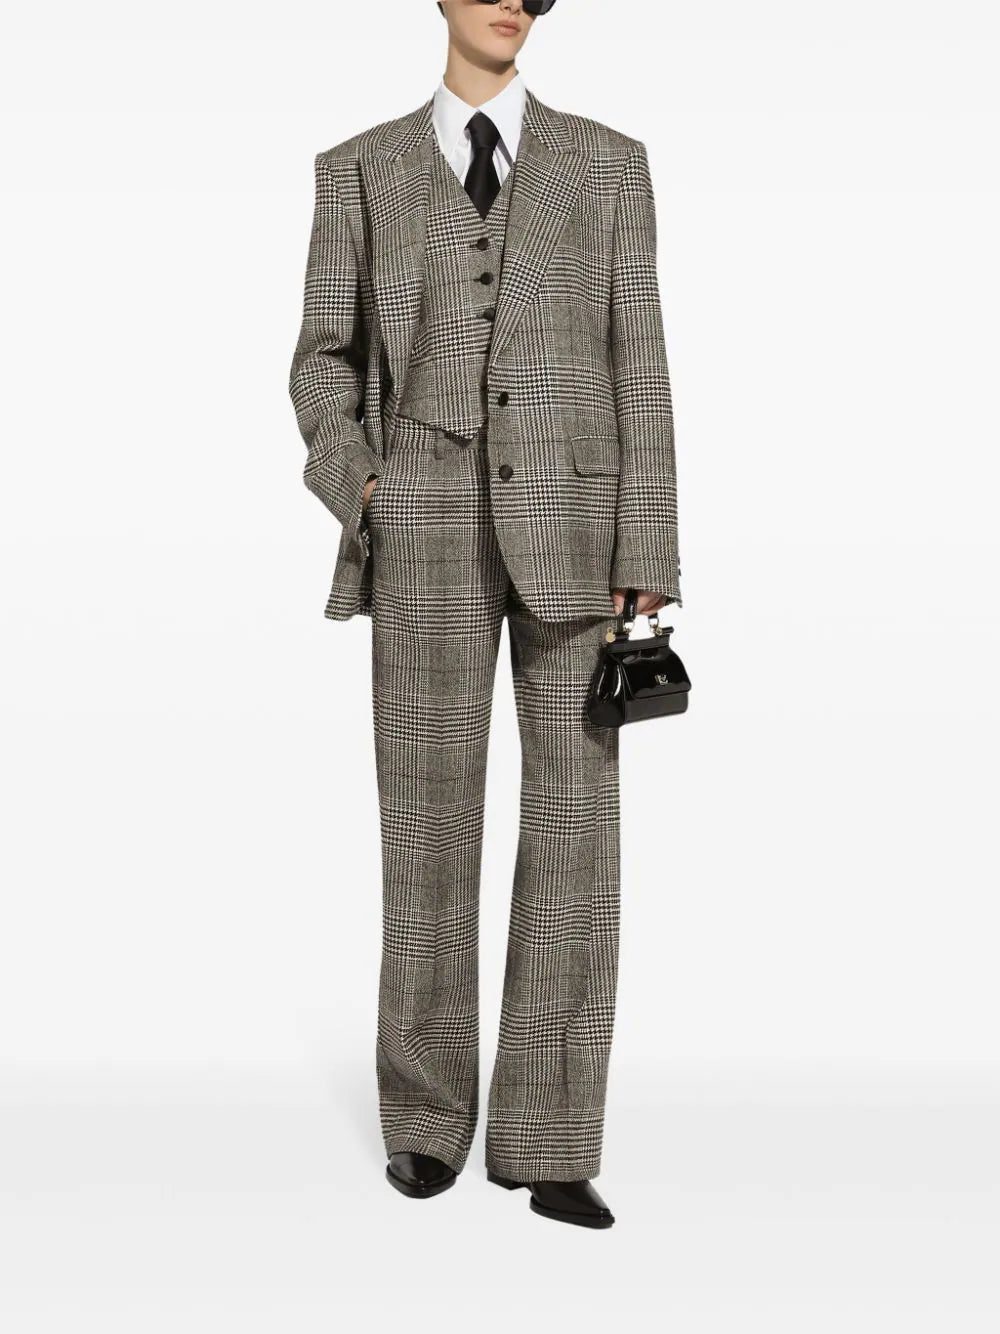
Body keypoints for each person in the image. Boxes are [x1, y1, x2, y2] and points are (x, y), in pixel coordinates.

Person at [288, 0, 681, 1230]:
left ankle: (549, 1138)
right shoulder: (357, 171)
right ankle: (425, 1120)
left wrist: (647, 548)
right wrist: (364, 485)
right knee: (426, 836)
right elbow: (320, 360)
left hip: (578, 533)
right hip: (420, 531)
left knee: (574, 838)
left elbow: (641, 361)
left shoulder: (608, 165)